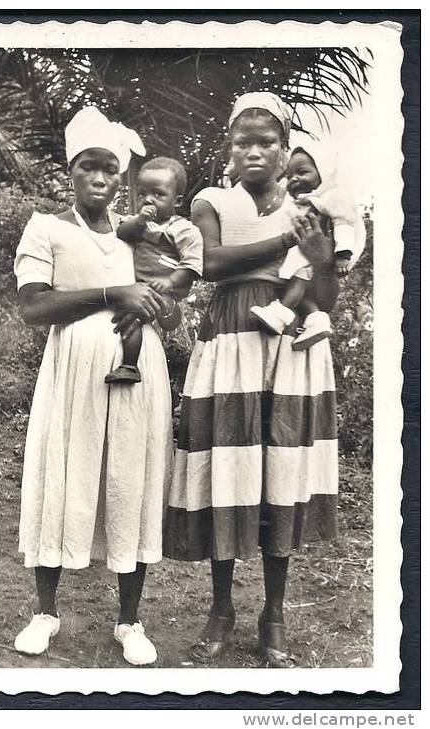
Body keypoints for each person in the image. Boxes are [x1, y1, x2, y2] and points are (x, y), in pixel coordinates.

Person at [163, 92, 339, 667]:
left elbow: (326, 292)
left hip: (293, 342)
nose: (255, 151)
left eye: (267, 142)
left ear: (287, 151)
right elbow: (210, 263)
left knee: (280, 472)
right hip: (231, 334)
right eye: (243, 142)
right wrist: (291, 240)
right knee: (227, 468)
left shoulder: (311, 201)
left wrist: (320, 252)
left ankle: (275, 613)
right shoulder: (211, 200)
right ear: (230, 153)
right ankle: (220, 609)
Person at [12, 107, 174, 666]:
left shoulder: (139, 235)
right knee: (63, 472)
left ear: (121, 177)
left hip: (138, 372)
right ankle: (45, 611)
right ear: (71, 169)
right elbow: (34, 306)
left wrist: (153, 303)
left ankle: (130, 621)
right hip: (73, 371)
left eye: (110, 169)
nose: (99, 179)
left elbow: (169, 309)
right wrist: (114, 295)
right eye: (88, 167)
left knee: (132, 477)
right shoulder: (46, 228)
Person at [250, 136, 366, 350]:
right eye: (290, 175)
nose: (294, 179)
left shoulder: (333, 197)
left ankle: (281, 312)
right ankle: (316, 318)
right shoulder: (298, 202)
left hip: (315, 256)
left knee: (297, 280)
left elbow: (344, 224)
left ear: (323, 174)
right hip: (302, 254)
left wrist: (342, 254)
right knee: (299, 284)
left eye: (302, 172)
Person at [106, 156, 203, 384]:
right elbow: (121, 233)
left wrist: (169, 282)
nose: (148, 200)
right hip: (136, 287)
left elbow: (192, 265)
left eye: (158, 194)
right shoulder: (137, 223)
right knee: (128, 313)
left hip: (163, 290)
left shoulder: (183, 230)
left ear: (176, 201)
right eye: (142, 194)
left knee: (132, 318)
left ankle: (130, 365)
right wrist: (139, 221)